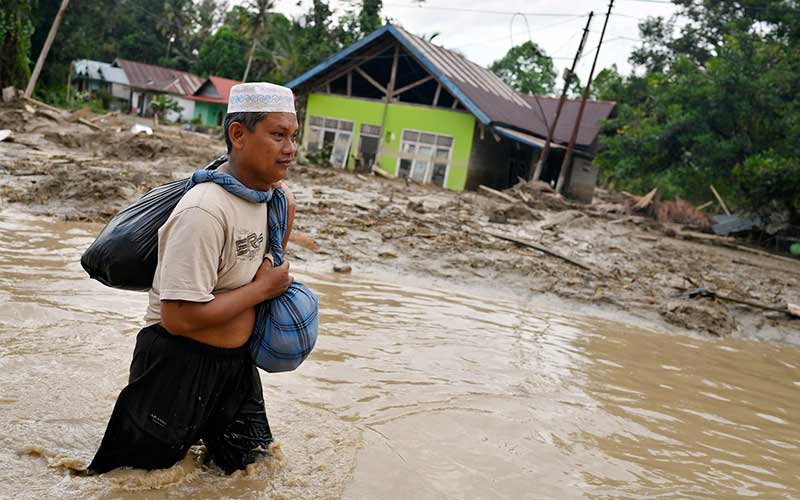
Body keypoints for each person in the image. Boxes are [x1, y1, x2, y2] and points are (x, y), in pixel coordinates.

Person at [89, 82, 299, 474]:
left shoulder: (276, 201)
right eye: (277, 135)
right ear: (238, 135)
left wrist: (267, 281)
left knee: (251, 473)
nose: (290, 149)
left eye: (292, 136)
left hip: (235, 369)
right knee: (134, 480)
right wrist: (262, 290)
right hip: (175, 366)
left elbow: (269, 263)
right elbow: (179, 318)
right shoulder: (203, 211)